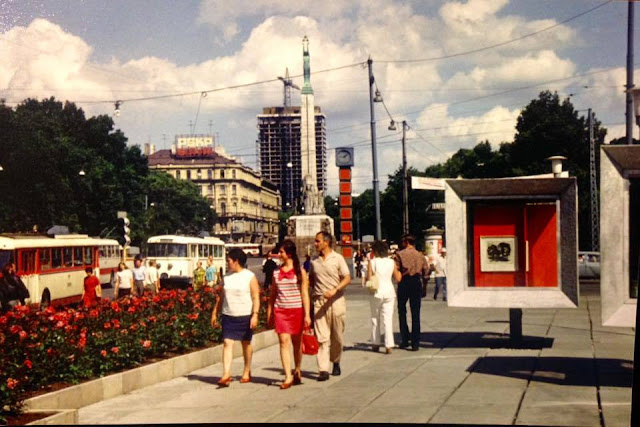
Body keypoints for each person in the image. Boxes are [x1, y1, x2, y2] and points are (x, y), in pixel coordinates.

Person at [210, 248, 260, 386]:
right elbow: (221, 297)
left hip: (244, 314)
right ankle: (226, 374)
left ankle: (247, 369)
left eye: (229, 261)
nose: (227, 263)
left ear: (236, 261)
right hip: (228, 314)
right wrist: (215, 312)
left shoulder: (249, 276)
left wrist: (255, 315)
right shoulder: (226, 277)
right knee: (227, 343)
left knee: (246, 343)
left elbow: (256, 297)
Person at [266, 240, 311, 389]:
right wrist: (270, 312)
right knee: (284, 342)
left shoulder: (300, 272)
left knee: (297, 344)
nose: (279, 254)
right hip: (281, 311)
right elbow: (273, 295)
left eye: (281, 252)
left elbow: (304, 293)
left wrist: (307, 315)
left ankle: (297, 368)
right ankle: (287, 376)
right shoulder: (276, 272)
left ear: (289, 254)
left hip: (296, 310)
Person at [309, 231, 351, 381]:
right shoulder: (314, 261)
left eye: (317, 241)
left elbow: (347, 277)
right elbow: (311, 279)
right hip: (319, 302)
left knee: (337, 335)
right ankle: (323, 369)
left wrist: (335, 289)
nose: (315, 244)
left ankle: (336, 361)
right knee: (322, 337)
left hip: (336, 300)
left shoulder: (337, 258)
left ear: (326, 242)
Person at [395, 234, 430, 351]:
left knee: (402, 311)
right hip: (416, 282)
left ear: (406, 242)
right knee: (416, 313)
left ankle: (405, 339)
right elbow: (426, 273)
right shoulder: (420, 255)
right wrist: (424, 287)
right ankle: (416, 342)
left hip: (404, 282)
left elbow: (397, 270)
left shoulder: (400, 254)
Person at [366, 240, 401, 354]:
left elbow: (369, 278)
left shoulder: (372, 262)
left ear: (375, 251)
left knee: (375, 318)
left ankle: (375, 343)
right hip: (389, 292)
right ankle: (389, 345)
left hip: (376, 292)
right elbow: (398, 278)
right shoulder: (391, 262)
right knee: (388, 319)